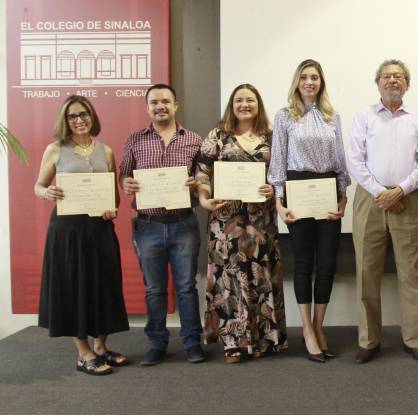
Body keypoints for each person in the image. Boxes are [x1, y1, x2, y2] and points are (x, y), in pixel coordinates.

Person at [347, 59, 418, 364]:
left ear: (406, 84)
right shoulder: (364, 117)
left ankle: (415, 339)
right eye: (387, 76)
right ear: (378, 83)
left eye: (398, 77)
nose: (392, 81)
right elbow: (355, 160)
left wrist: (400, 190)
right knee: (366, 272)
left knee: (411, 274)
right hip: (369, 200)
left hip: (408, 200)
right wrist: (381, 192)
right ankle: (369, 340)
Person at [35, 95, 129, 376]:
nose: (79, 120)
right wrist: (47, 192)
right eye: (72, 116)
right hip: (67, 232)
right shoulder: (55, 150)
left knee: (103, 284)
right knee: (73, 286)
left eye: (84, 114)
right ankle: (83, 352)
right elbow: (38, 186)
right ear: (65, 120)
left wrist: (112, 209)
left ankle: (101, 347)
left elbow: (114, 197)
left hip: (99, 230)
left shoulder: (107, 151)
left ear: (92, 116)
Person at [196, 84, 288, 363]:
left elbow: (280, 174)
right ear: (231, 105)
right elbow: (202, 170)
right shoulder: (218, 134)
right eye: (239, 100)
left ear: (258, 104)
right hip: (226, 221)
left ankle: (262, 339)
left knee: (260, 274)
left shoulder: (271, 136)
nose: (244, 104)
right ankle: (233, 343)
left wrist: (274, 190)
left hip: (261, 220)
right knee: (229, 277)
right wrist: (203, 198)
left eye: (250, 100)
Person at [267, 59, 350, 363]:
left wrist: (343, 194)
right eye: (304, 77)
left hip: (327, 190)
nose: (310, 82)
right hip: (298, 189)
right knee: (303, 262)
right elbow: (277, 161)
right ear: (297, 82)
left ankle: (319, 325)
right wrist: (279, 201)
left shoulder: (332, 116)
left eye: (314, 77)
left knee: (326, 263)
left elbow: (340, 157)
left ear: (321, 82)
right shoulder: (285, 116)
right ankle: (306, 329)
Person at [120, 84, 205, 366]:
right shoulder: (134, 139)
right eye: (154, 102)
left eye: (165, 101)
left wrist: (197, 183)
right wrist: (127, 183)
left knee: (186, 287)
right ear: (148, 107)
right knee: (154, 290)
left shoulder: (194, 140)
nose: (160, 106)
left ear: (175, 105)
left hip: (183, 223)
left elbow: (205, 178)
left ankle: (193, 343)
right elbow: (124, 176)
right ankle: (156, 344)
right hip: (148, 225)